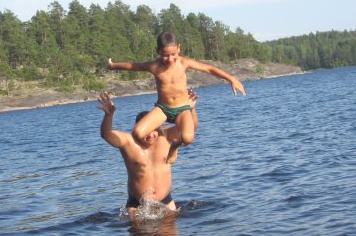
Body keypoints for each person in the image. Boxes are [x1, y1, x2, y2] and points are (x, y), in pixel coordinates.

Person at [108, 31, 246, 163]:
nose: (170, 59)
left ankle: (174, 147)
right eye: (165, 55)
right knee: (137, 133)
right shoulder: (154, 66)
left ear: (179, 48)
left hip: (182, 109)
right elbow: (133, 66)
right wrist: (113, 66)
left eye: (173, 54)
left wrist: (231, 79)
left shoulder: (184, 63)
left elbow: (209, 69)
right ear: (158, 51)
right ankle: (159, 145)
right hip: (163, 109)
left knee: (188, 138)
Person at [98, 89, 199, 217]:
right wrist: (109, 115)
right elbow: (106, 134)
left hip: (166, 200)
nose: (151, 135)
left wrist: (191, 109)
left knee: (171, 229)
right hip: (137, 204)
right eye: (146, 133)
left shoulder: (166, 136)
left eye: (154, 131)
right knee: (138, 229)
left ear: (159, 128)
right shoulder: (128, 142)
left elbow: (191, 128)